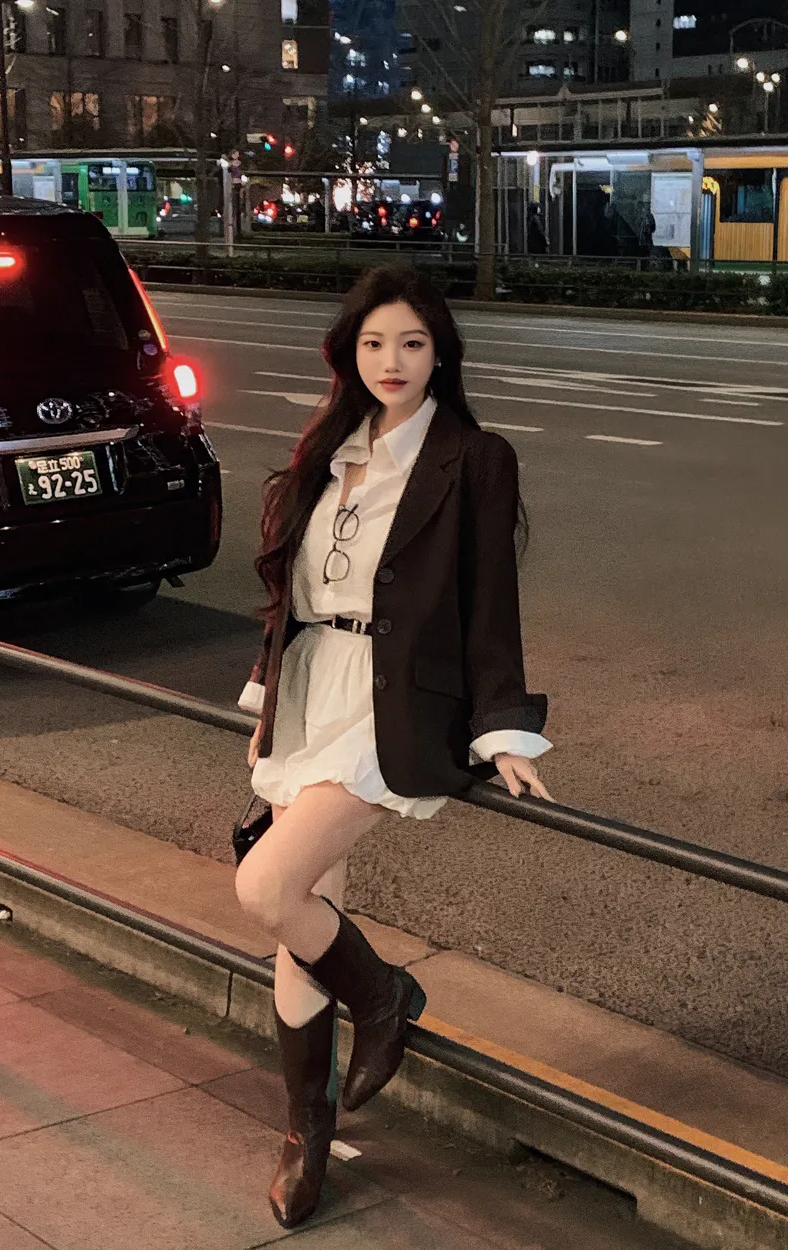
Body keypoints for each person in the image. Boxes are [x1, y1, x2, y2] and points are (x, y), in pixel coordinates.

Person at [234, 265, 554, 1230]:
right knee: (305, 917)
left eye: (413, 343)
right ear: (350, 352)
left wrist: (504, 727)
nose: (393, 361)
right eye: (375, 343)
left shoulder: (473, 457)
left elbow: (492, 605)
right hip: (311, 689)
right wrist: (266, 698)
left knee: (268, 888)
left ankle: (383, 998)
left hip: (389, 705)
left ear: (441, 352)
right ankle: (307, 1133)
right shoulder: (329, 448)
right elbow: (290, 593)